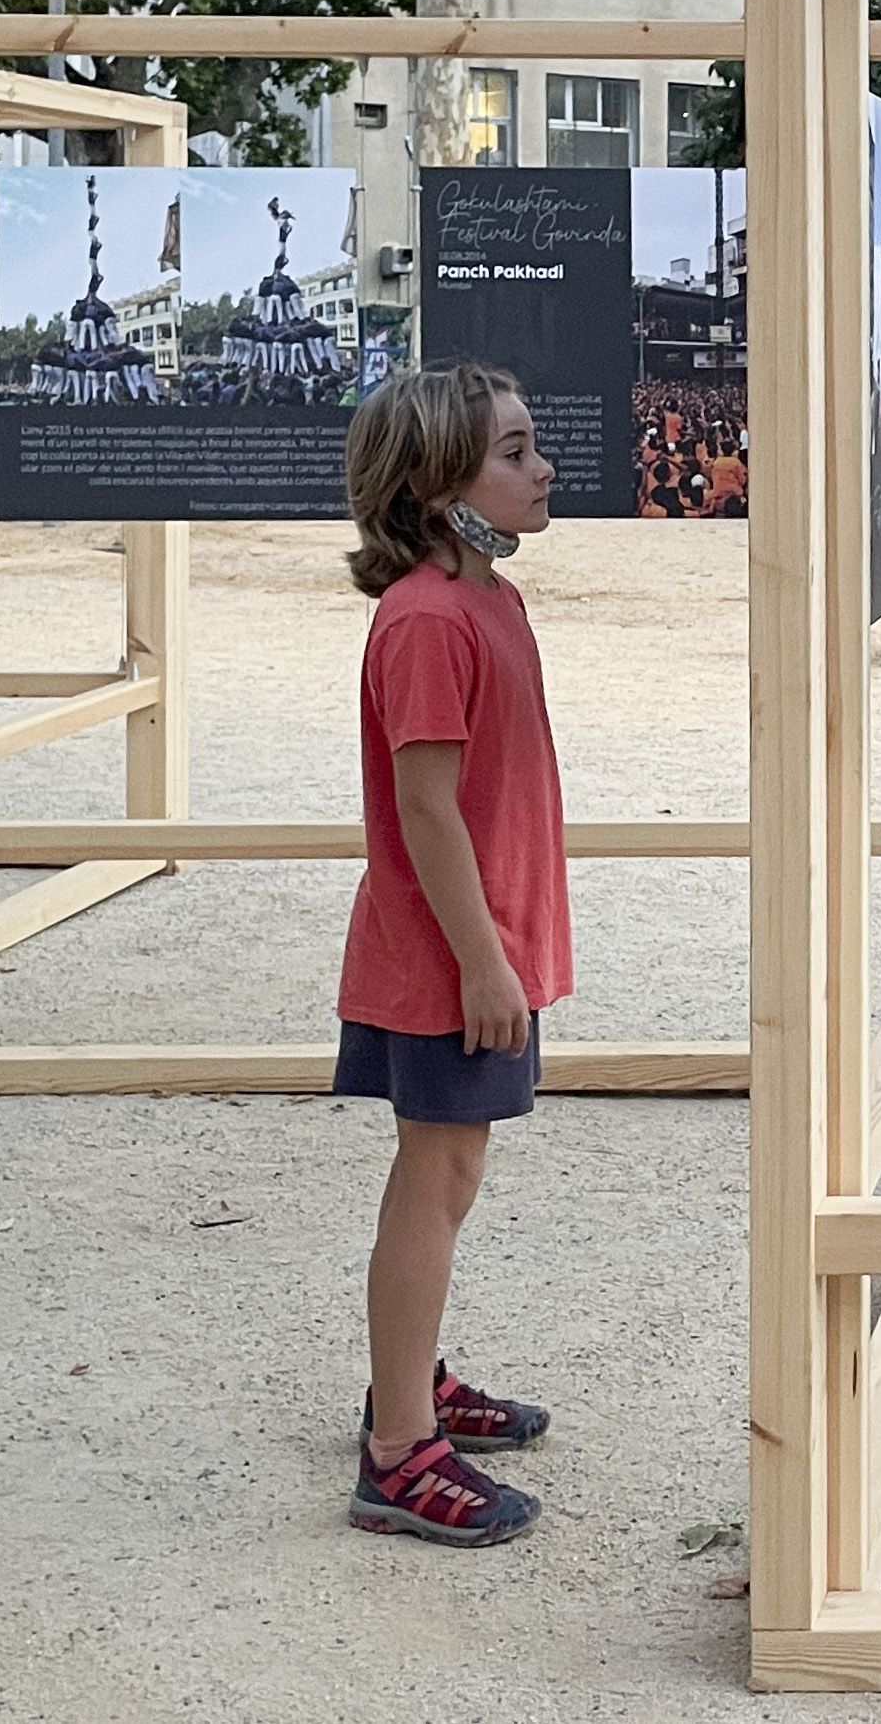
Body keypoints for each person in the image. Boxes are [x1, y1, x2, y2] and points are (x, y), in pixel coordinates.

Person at [336, 360, 568, 1549]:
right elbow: (426, 807)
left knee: (454, 1174)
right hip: (447, 957)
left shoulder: (487, 598)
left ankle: (410, 1382)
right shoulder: (426, 615)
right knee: (437, 1177)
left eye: (534, 447)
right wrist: (483, 961)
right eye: (514, 452)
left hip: (487, 944)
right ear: (435, 486)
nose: (541, 469)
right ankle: (397, 1449)